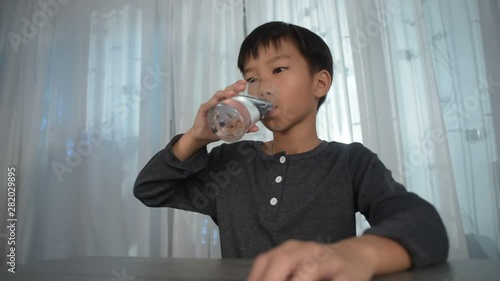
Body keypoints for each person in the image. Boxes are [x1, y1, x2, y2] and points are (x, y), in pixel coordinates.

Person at [134, 21, 449, 281]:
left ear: (320, 84)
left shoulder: (350, 162)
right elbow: (150, 189)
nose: (262, 86)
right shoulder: (230, 162)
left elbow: (423, 223)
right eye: (251, 77)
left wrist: (356, 255)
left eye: (279, 69)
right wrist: (196, 138)